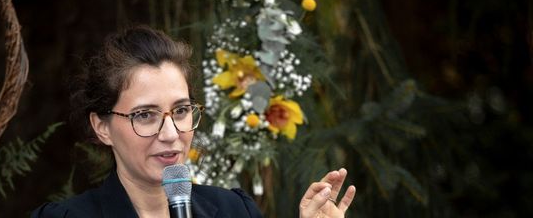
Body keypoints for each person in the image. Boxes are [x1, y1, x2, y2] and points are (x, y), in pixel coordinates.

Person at [31, 25, 356, 218]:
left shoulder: (232, 211)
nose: (171, 134)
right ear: (102, 127)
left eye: (182, 110)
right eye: (145, 115)